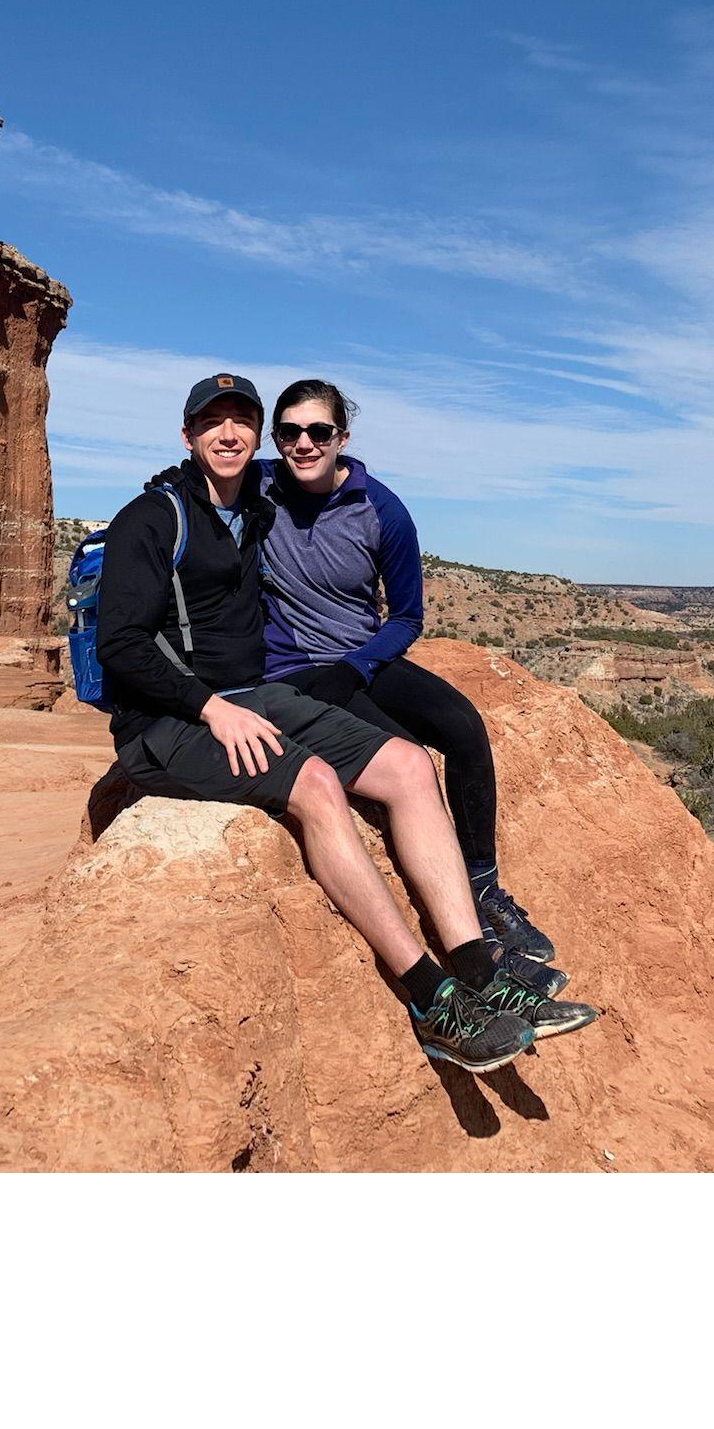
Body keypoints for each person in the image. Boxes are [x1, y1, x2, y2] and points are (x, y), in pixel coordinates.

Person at [95, 372, 575, 1071]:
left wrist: (251, 697)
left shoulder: (253, 505)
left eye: (243, 423)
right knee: (317, 785)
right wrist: (209, 709)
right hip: (166, 723)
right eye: (212, 424)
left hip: (256, 694)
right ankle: (431, 998)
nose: (230, 436)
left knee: (411, 765)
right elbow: (121, 645)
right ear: (188, 435)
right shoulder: (155, 516)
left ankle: (477, 965)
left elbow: (400, 605)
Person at [258, 377, 597, 1032]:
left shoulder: (380, 509)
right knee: (408, 762)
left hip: (362, 658)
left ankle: (483, 885)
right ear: (277, 439)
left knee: (463, 728)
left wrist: (357, 665)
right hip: (299, 670)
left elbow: (406, 616)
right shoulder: (258, 489)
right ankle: (471, 954)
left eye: (318, 432)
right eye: (291, 432)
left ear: (342, 439)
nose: (304, 443)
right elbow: (204, 469)